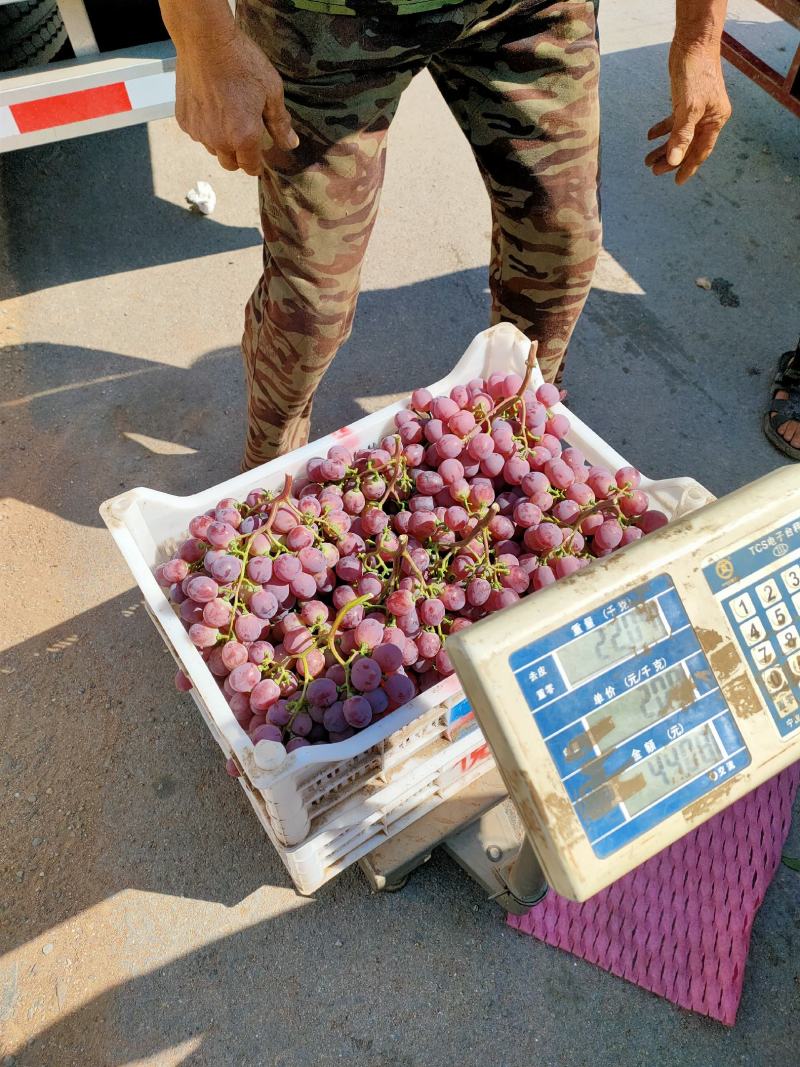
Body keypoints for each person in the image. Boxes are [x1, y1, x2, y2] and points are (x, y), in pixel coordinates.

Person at [158, 0, 732, 470]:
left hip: (529, 11)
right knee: (312, 307)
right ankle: (270, 465)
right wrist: (204, 38)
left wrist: (701, 38)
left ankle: (513, 440)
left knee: (563, 244)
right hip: (325, 19)